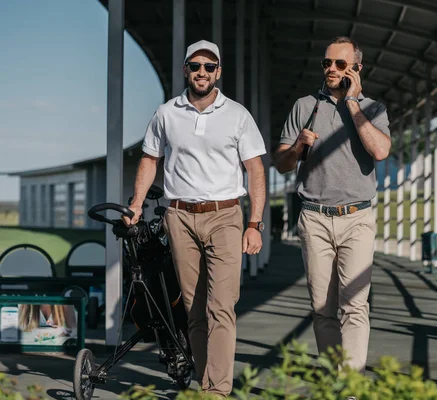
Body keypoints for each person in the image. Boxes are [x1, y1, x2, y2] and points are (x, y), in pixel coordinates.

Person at [123, 39, 267, 397]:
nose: (202, 73)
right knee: (194, 309)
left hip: (225, 216)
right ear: (186, 70)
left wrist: (254, 223)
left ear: (218, 72)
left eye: (209, 67)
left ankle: (217, 391)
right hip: (180, 217)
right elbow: (149, 160)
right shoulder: (166, 113)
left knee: (222, 306)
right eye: (196, 66)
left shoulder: (238, 115)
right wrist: (136, 204)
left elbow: (256, 170)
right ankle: (206, 383)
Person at [274, 36, 391, 373]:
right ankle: (333, 380)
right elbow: (281, 163)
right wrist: (296, 148)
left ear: (356, 69)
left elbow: (380, 151)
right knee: (323, 307)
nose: (331, 69)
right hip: (314, 218)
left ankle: (350, 385)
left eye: (340, 64)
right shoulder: (304, 105)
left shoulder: (374, 109)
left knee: (355, 305)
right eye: (327, 63)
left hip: (357, 217)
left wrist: (352, 103)